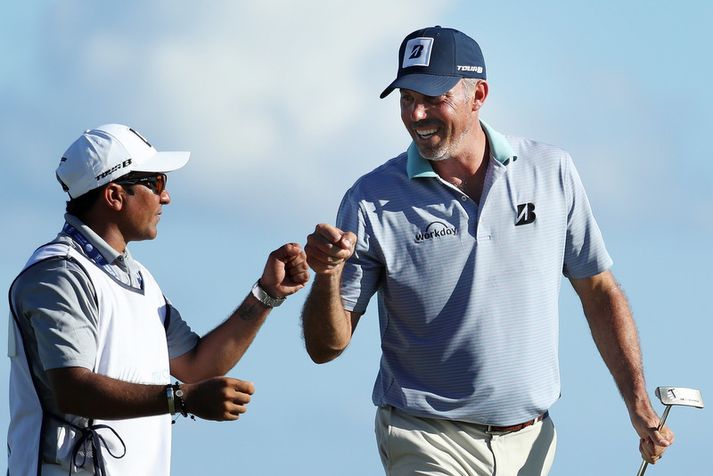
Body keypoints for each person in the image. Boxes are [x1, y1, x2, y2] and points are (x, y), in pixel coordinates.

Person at [301, 26, 673, 475]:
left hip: (532, 440)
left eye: (433, 97)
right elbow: (327, 347)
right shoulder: (370, 199)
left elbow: (599, 291)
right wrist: (327, 275)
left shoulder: (551, 171)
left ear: (478, 95)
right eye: (405, 98)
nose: (417, 113)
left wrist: (638, 403)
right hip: (426, 437)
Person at [7, 123, 309, 475]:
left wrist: (265, 295)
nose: (166, 197)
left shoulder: (140, 279)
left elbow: (199, 365)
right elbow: (72, 388)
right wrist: (181, 399)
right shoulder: (59, 273)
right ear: (115, 196)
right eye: (157, 183)